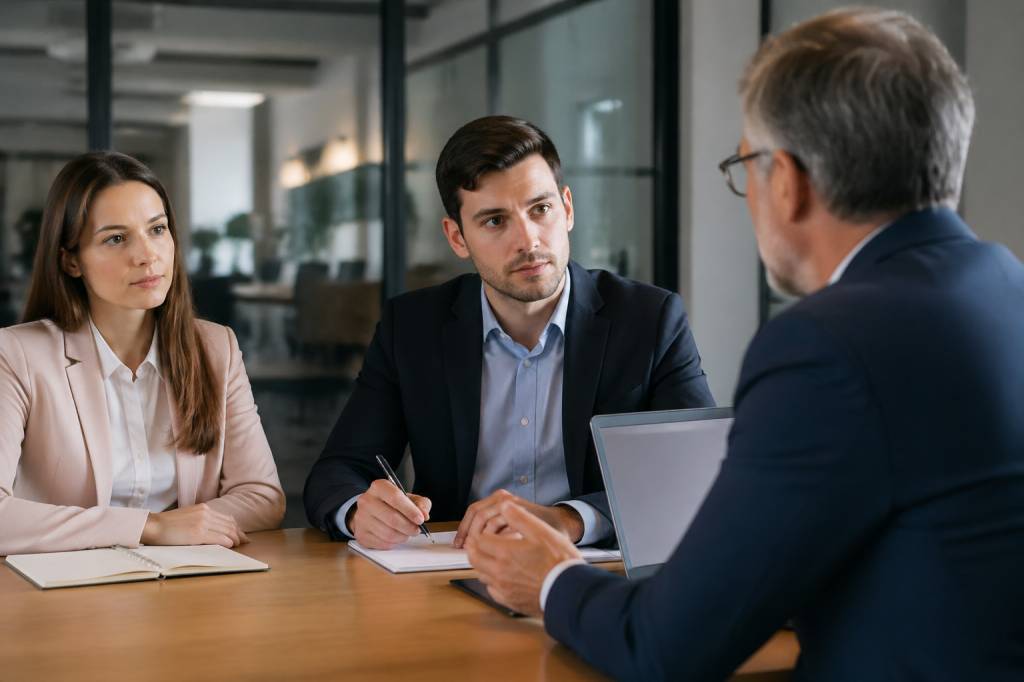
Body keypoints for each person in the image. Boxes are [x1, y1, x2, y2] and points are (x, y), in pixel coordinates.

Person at [466, 9, 1024, 681]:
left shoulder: (827, 344)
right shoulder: (1005, 286)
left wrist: (552, 578)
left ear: (786, 180)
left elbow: (664, 647)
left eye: (745, 165)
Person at [304, 115, 714, 550]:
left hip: (596, 569)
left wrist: (570, 519)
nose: (528, 240)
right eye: (495, 221)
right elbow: (337, 472)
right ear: (457, 237)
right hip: (453, 568)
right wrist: (359, 510)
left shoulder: (649, 319)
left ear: (567, 208)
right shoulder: (413, 327)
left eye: (541, 209)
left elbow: (698, 473)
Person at [0, 152, 285, 556]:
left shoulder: (215, 347)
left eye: (157, 229)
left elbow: (262, 497)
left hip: (190, 579)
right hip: (65, 585)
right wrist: (151, 527)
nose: (147, 255)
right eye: (116, 238)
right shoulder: (17, 355)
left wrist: (185, 528)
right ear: (71, 261)